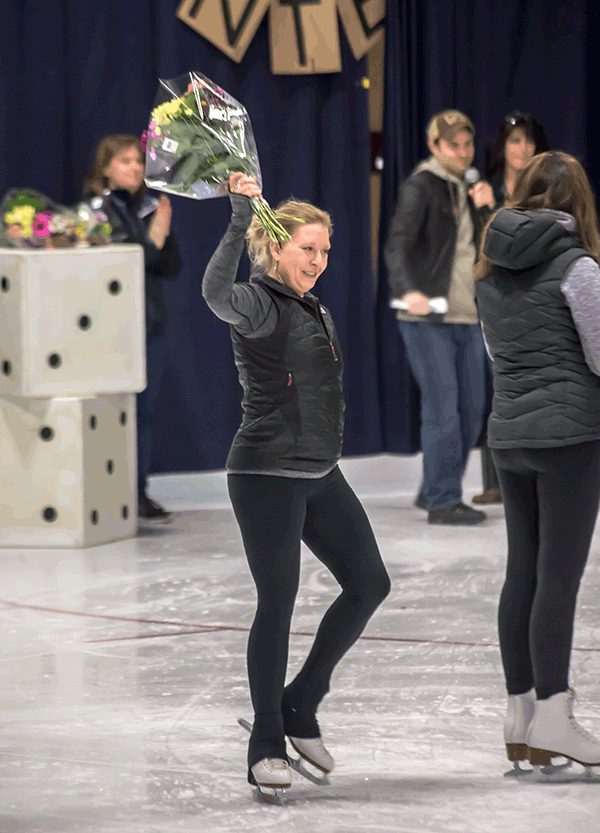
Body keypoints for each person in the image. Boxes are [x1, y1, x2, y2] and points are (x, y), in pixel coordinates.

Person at [202, 172, 391, 792]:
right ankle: (264, 742)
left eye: (326, 250)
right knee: (278, 602)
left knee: (368, 583)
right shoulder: (258, 303)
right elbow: (213, 293)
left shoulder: (313, 306)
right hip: (264, 475)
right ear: (277, 247)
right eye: (308, 247)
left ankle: (301, 702)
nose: (319, 259)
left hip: (318, 473)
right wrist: (236, 216)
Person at [475, 151, 600, 771]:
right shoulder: (578, 267)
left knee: (522, 571)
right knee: (558, 577)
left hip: (509, 435)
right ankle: (554, 715)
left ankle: (521, 716)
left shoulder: (489, 266)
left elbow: (496, 355)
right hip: (570, 439)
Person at [385, 110, 495, 525]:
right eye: (454, 145)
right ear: (435, 146)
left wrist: (488, 209)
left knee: (471, 407)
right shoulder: (423, 185)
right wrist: (410, 290)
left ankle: (434, 486)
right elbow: (398, 243)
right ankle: (443, 499)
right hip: (428, 315)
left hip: (470, 314)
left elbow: (486, 248)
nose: (463, 153)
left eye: (467, 145)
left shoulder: (470, 187)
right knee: (444, 406)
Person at [81, 135, 181, 525]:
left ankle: (137, 493)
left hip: (149, 324)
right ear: (106, 168)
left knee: (143, 414)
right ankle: (116, 494)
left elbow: (169, 268)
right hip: (115, 329)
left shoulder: (143, 208)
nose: (136, 168)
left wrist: (163, 233)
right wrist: (155, 236)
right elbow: (124, 266)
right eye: (125, 161)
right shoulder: (100, 211)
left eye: (139, 161)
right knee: (116, 412)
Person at [472, 112, 550, 505]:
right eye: (515, 141)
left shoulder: (544, 192)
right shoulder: (485, 189)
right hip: (494, 300)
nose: (523, 149)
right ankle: (495, 481)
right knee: (495, 388)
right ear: (502, 146)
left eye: (529, 141)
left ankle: (536, 471)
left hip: (535, 299)